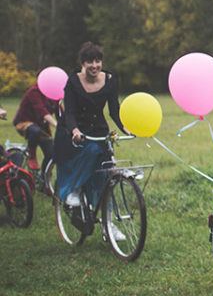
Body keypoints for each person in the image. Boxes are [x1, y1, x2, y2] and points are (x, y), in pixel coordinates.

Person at [53, 43, 129, 230]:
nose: (94, 66)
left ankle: (108, 223)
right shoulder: (73, 82)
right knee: (92, 151)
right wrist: (75, 130)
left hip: (98, 130)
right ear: (82, 63)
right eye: (89, 62)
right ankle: (75, 189)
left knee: (106, 173)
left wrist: (125, 127)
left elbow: (114, 109)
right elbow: (69, 112)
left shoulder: (110, 80)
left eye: (97, 61)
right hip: (73, 131)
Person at [13, 83, 59, 173]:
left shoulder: (54, 94)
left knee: (52, 154)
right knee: (35, 131)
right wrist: (56, 124)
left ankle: (44, 181)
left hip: (42, 129)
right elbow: (41, 111)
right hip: (24, 122)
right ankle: (31, 157)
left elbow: (60, 112)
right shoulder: (34, 91)